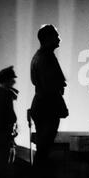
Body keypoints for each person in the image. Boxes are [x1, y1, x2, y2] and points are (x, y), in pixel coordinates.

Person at [30, 24, 68, 167]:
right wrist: (61, 107)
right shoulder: (46, 57)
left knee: (43, 148)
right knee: (44, 150)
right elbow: (50, 87)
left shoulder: (40, 56)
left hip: (42, 106)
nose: (59, 38)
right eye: (56, 35)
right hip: (47, 108)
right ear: (48, 38)